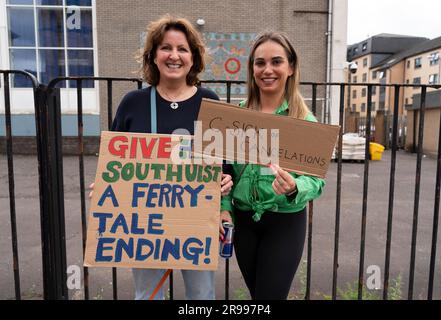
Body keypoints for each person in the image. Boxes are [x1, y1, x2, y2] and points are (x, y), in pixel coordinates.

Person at [101, 15, 232, 300]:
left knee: (202, 296)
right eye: (165, 48)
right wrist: (106, 187)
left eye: (182, 49)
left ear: (193, 57)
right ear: (153, 56)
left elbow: (224, 164)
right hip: (145, 224)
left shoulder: (210, 102)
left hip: (198, 222)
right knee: (148, 295)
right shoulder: (132, 103)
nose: (174, 55)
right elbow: (114, 161)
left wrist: (224, 187)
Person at [220, 31, 325, 300]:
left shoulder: (304, 120)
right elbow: (224, 173)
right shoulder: (235, 116)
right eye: (260, 63)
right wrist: (224, 208)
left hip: (285, 222)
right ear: (252, 68)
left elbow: (315, 181)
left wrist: (294, 187)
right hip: (243, 222)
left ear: (291, 68)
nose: (267, 70)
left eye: (276, 62)